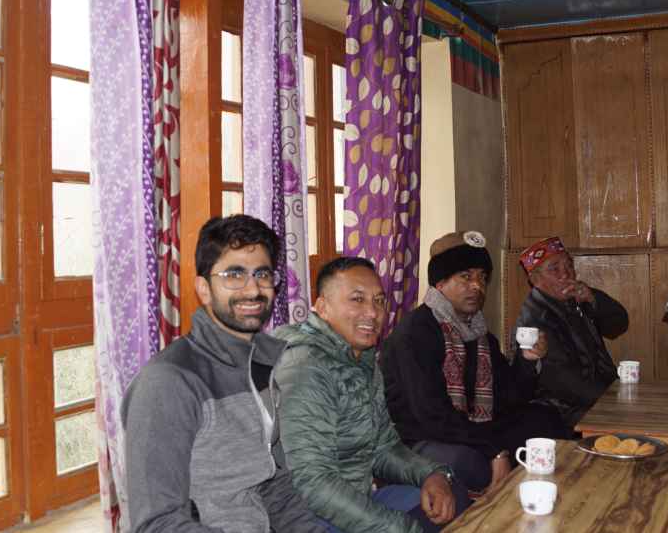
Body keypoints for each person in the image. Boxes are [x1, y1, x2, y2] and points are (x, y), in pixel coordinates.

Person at [121, 215, 323, 533]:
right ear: (203, 288)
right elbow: (156, 523)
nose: (253, 288)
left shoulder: (262, 368)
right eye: (234, 274)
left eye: (263, 274)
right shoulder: (169, 382)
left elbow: (274, 486)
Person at [274, 257, 469, 533]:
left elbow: (384, 447)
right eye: (357, 299)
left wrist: (432, 474)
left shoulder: (362, 359)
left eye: (379, 301)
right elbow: (311, 482)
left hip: (355, 500)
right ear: (322, 307)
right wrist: (399, 527)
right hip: (306, 517)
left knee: (449, 495)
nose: (373, 312)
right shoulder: (304, 366)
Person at [381, 231, 570, 495]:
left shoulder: (479, 335)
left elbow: (510, 398)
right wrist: (495, 450)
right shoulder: (415, 333)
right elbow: (432, 417)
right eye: (466, 277)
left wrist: (528, 360)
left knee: (546, 421)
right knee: (473, 462)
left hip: (468, 429)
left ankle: (534, 503)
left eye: (482, 277)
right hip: (420, 438)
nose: (477, 286)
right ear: (440, 283)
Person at [515, 236, 629, 426]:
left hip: (598, 395)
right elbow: (564, 383)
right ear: (535, 280)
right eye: (555, 269)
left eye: (569, 266)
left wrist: (594, 299)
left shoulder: (576, 299)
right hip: (563, 410)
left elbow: (619, 324)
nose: (566, 274)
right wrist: (613, 401)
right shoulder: (535, 320)